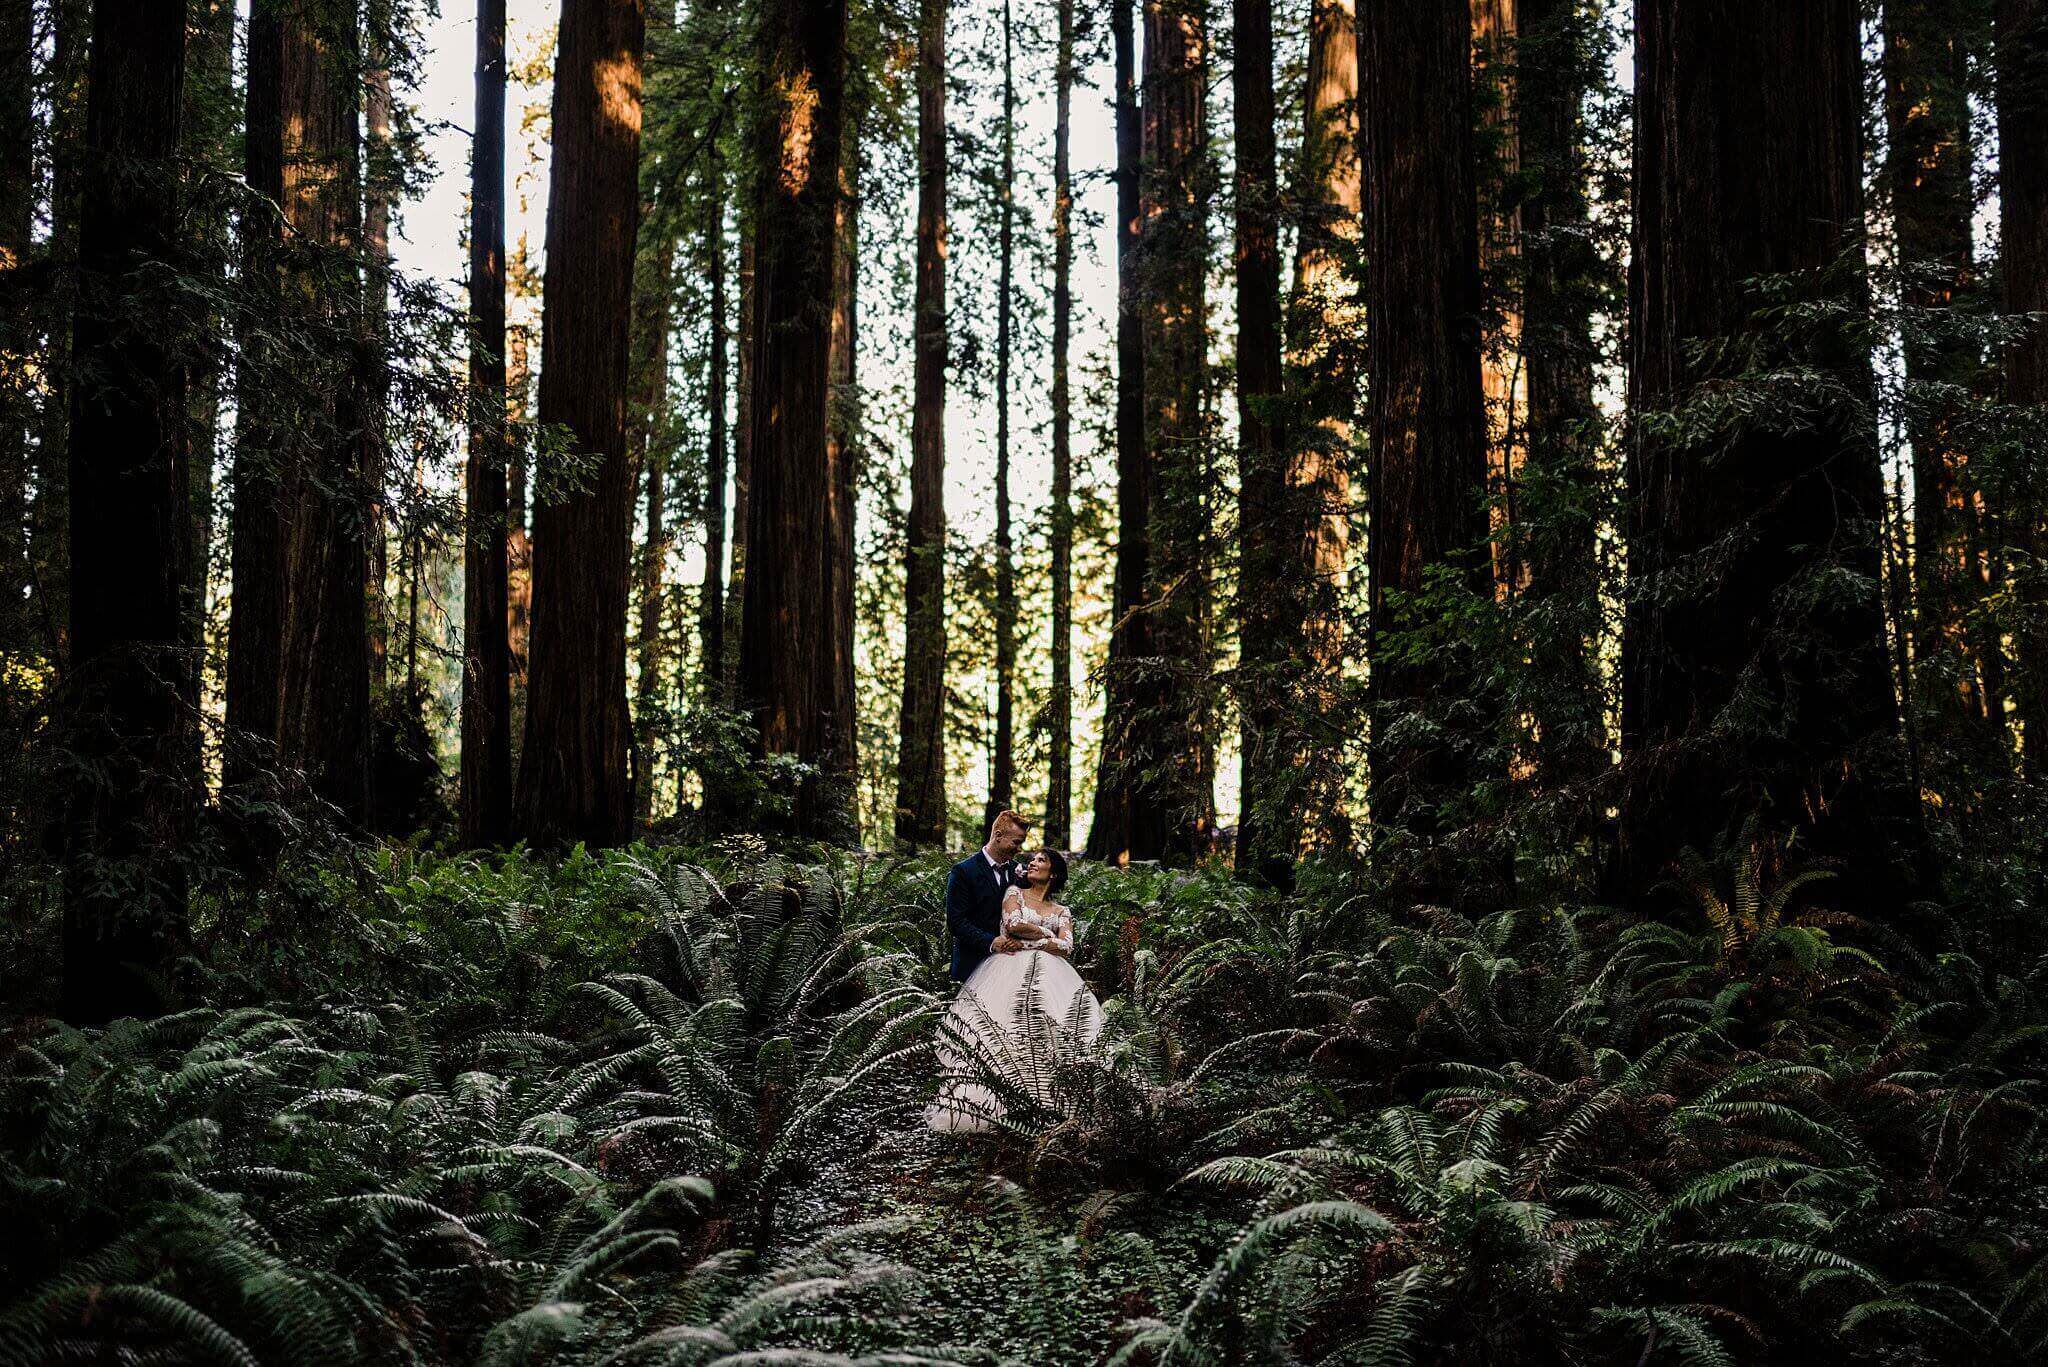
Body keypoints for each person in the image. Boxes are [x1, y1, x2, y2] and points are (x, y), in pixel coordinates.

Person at [927, 842, 1103, 1133]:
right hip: (1009, 969)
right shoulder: (1014, 893)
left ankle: (1052, 1102)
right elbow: (1013, 923)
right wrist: (1049, 934)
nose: (1032, 862)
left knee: (1053, 1028)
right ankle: (1001, 1103)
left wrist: (1034, 939)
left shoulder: (1062, 909)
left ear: (1054, 874)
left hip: (1053, 975)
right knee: (1005, 1029)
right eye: (1032, 859)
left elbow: (1067, 946)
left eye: (1041, 860)